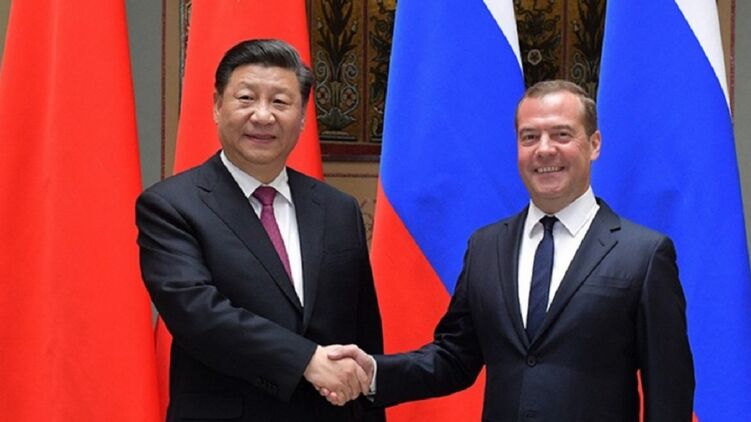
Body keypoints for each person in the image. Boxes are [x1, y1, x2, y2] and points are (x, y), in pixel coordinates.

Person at [329, 80, 695, 421]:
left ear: (594, 144)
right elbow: (454, 357)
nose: (544, 149)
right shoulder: (486, 247)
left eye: (562, 134)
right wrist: (373, 372)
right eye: (529, 137)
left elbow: (669, 392)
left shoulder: (644, 255)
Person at [136, 39, 384, 421]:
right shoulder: (171, 206)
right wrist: (306, 360)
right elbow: (198, 315)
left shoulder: (338, 209)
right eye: (247, 99)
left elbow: (362, 335)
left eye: (280, 102)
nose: (263, 116)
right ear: (217, 106)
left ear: (303, 116)